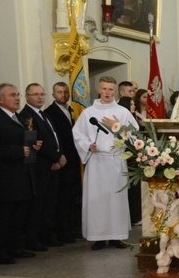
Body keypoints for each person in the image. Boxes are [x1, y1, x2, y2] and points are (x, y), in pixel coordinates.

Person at [73, 76, 138, 250]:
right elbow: (78, 134)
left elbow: (134, 136)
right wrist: (88, 145)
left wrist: (118, 126)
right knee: (97, 200)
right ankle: (99, 237)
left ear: (115, 91)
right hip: (97, 162)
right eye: (104, 89)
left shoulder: (123, 113)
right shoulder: (88, 113)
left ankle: (117, 236)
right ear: (99, 90)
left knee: (116, 199)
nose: (107, 92)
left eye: (110, 89)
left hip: (116, 161)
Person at [0, 84, 37, 264]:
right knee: (5, 215)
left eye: (18, 95)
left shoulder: (20, 118)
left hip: (23, 173)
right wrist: (18, 151)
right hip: (6, 176)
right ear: (0, 99)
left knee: (20, 214)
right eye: (13, 95)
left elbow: (24, 140)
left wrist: (34, 146)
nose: (17, 98)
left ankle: (15, 246)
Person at [20, 83, 66, 251]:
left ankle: (47, 235)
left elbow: (54, 137)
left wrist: (60, 154)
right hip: (41, 167)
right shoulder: (27, 116)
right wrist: (57, 157)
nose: (40, 97)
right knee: (38, 205)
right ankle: (34, 239)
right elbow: (37, 143)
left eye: (42, 94)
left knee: (49, 204)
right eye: (35, 94)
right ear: (27, 97)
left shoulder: (44, 114)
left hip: (53, 165)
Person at [44, 81, 82, 243]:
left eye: (66, 92)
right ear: (53, 95)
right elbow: (55, 138)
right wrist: (58, 156)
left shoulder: (70, 110)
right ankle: (60, 231)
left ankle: (70, 229)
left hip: (72, 159)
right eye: (60, 92)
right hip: (61, 159)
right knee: (61, 197)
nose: (64, 95)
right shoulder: (49, 112)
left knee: (71, 196)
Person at [117, 96, 141, 225]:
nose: (134, 106)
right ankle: (132, 216)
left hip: (134, 154)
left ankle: (136, 215)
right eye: (131, 104)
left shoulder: (133, 117)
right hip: (127, 155)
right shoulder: (122, 117)